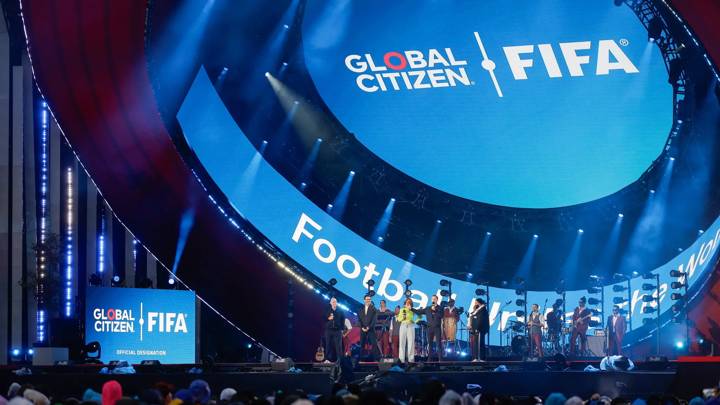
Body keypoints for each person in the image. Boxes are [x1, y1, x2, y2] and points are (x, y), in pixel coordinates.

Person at [414, 295, 444, 361]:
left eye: (435, 299)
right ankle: (429, 359)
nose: (433, 300)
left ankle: (441, 359)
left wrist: (435, 310)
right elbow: (419, 312)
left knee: (438, 344)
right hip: (429, 328)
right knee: (430, 344)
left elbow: (441, 315)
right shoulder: (428, 308)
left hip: (437, 328)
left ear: (437, 300)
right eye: (432, 299)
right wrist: (411, 309)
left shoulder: (440, 308)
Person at [324, 297, 346, 362]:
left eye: (335, 302)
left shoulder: (340, 310)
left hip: (337, 330)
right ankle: (327, 359)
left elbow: (343, 320)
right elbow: (323, 319)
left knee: (338, 346)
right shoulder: (327, 310)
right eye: (333, 302)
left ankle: (340, 360)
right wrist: (328, 318)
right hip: (329, 330)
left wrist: (342, 329)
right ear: (330, 303)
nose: (334, 303)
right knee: (328, 345)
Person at [358, 294, 379, 360]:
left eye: (369, 300)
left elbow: (374, 320)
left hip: (371, 329)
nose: (368, 301)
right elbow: (359, 319)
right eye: (367, 299)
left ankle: (376, 359)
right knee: (362, 344)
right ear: (364, 300)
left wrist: (369, 327)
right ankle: (361, 359)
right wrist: (362, 327)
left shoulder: (374, 309)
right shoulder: (360, 309)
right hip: (363, 329)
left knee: (374, 344)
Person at [397, 298, 418, 363]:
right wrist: (403, 317)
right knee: (402, 343)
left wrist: (414, 321)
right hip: (403, 325)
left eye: (409, 304)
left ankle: (411, 360)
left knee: (411, 343)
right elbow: (399, 319)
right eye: (407, 303)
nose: (408, 305)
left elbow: (419, 317)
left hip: (410, 326)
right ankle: (401, 360)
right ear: (405, 304)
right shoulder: (402, 310)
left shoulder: (412, 311)